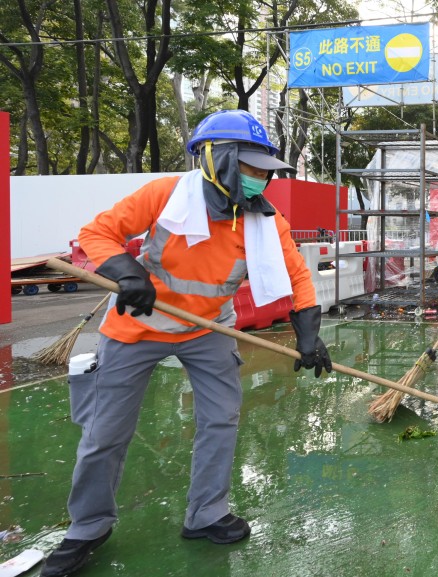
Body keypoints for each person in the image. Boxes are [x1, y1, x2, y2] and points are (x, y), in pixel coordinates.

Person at [41, 110, 333, 577]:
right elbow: (98, 233)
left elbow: (297, 274)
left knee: (221, 418)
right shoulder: (166, 196)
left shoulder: (263, 219)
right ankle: (88, 526)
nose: (262, 179)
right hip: (138, 327)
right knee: (106, 432)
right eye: (253, 168)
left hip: (209, 330)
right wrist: (126, 271)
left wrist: (308, 333)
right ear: (217, 159)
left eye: (266, 171)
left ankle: (206, 514)